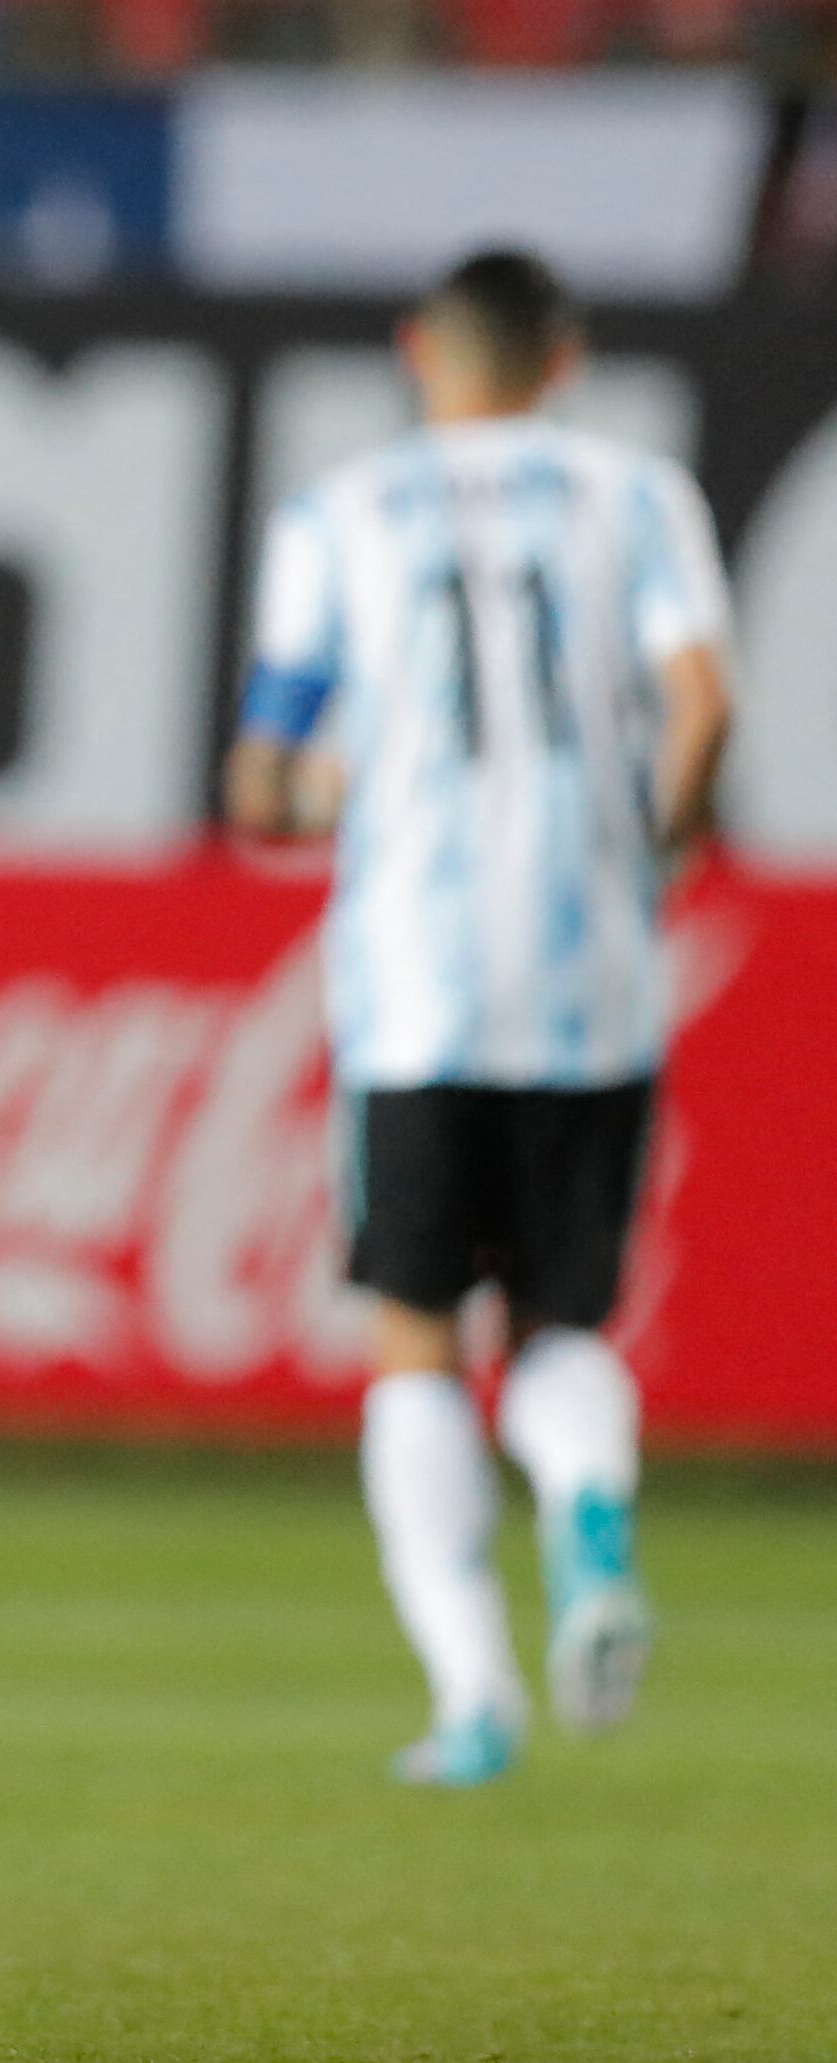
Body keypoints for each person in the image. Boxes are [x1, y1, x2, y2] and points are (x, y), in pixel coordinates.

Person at [225, 249, 734, 1788]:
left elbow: (262, 778)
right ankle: (586, 1515)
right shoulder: (638, 498)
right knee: (564, 1320)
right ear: (560, 358)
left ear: (416, 355)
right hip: (591, 973)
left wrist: (320, 788)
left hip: (418, 980)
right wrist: (656, 838)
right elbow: (703, 699)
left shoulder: (343, 512)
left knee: (414, 1336)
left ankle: (473, 1698)